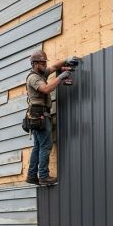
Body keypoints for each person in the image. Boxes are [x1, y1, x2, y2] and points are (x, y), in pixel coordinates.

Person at [25, 50, 79, 186]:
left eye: (45, 62)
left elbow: (55, 67)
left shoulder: (41, 73)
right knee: (46, 145)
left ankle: (32, 176)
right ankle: (43, 176)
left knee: (38, 146)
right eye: (42, 63)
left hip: (38, 115)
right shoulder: (34, 78)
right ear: (35, 63)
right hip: (39, 116)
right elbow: (46, 89)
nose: (45, 65)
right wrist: (61, 78)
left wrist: (67, 59)